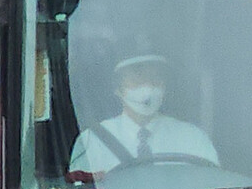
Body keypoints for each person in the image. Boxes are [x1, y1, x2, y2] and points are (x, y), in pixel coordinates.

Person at [69, 54, 218, 178]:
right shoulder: (92, 141)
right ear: (117, 89)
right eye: (137, 80)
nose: (147, 88)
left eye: (155, 80)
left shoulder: (193, 138)